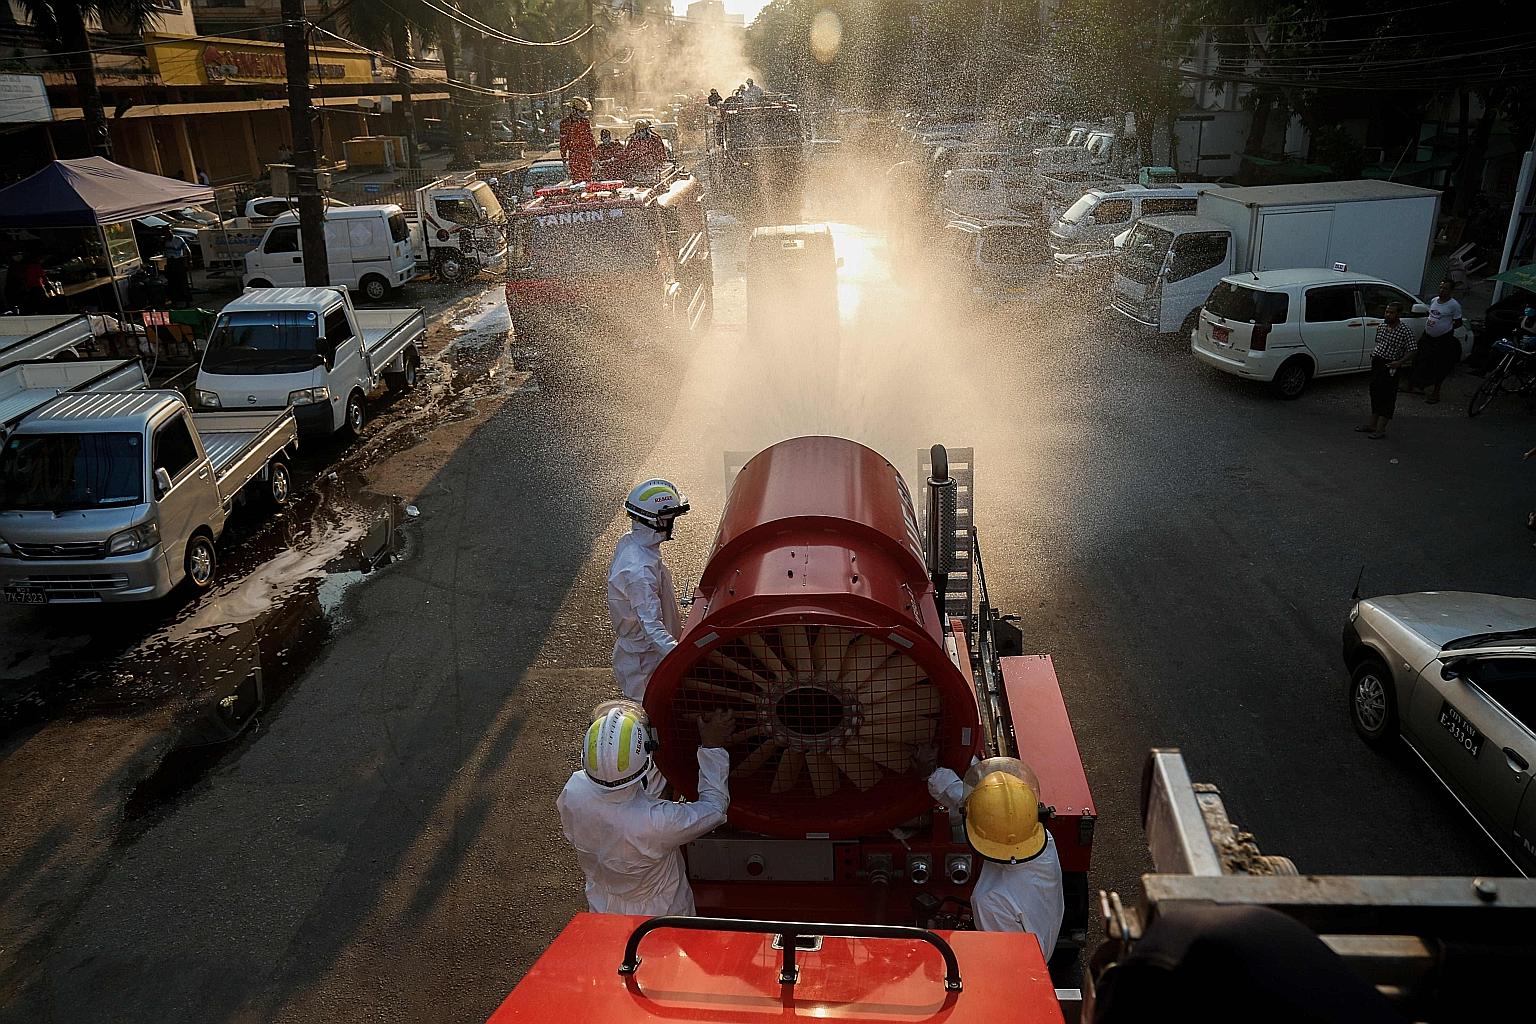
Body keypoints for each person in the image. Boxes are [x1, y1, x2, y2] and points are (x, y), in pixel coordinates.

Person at [556, 700, 734, 916]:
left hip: (602, 905)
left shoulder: (573, 791)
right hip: (660, 913)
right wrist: (712, 747)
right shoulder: (658, 822)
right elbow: (714, 808)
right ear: (647, 759)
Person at [921, 751, 1065, 957]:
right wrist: (937, 777)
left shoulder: (990, 901)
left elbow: (1005, 964)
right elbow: (981, 811)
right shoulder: (1042, 841)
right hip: (1043, 940)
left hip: (1022, 971)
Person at [608, 478, 689, 701]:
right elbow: (652, 628)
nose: (673, 522)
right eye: (671, 517)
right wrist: (685, 657)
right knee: (653, 715)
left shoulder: (632, 543)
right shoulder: (640, 572)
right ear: (658, 520)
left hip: (642, 656)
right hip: (647, 663)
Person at [1355, 302, 1416, 439]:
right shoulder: (1382, 326)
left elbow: (1412, 350)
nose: (1388, 315)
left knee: (1387, 397)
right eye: (1387, 312)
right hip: (1378, 364)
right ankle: (1372, 424)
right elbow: (1380, 343)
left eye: (1391, 312)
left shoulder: (1404, 330)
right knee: (1375, 393)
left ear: (1398, 314)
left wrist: (1399, 362)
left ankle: (1381, 429)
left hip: (1391, 366)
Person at [1410, 279, 1463, 404]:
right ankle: (1414, 385)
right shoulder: (1434, 300)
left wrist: (1445, 328)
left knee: (1440, 365)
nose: (1442, 290)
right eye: (1440, 287)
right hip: (1428, 336)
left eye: (1445, 288)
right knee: (1419, 359)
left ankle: (1436, 393)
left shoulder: (1454, 305)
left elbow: (1458, 322)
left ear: (1451, 291)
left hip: (1442, 339)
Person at [559, 96, 597, 182]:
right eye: (581, 112)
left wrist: (595, 158)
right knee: (577, 181)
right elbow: (563, 143)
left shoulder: (585, 122)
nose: (583, 114)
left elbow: (591, 141)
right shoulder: (565, 123)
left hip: (586, 155)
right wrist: (564, 160)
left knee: (588, 180)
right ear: (574, 110)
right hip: (574, 156)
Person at [162, 230, 192, 306]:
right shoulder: (165, 241)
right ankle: (175, 300)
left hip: (178, 261)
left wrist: (189, 261)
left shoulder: (178, 239)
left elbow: (187, 250)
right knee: (172, 282)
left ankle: (186, 300)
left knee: (182, 282)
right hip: (170, 261)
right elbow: (163, 251)